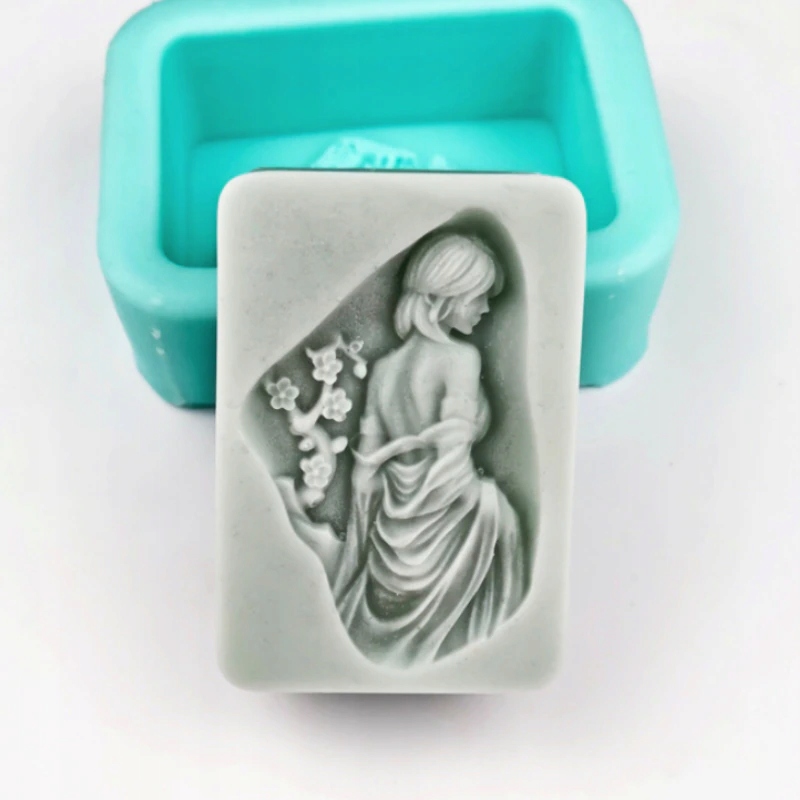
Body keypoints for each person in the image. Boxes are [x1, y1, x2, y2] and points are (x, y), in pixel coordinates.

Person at [325, 231, 527, 667]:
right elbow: (451, 460)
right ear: (445, 297)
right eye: (478, 297)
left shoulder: (383, 370)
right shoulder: (461, 359)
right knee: (501, 517)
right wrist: (481, 503)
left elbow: (363, 476)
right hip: (448, 517)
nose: (485, 308)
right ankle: (490, 658)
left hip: (393, 529)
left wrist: (364, 540)